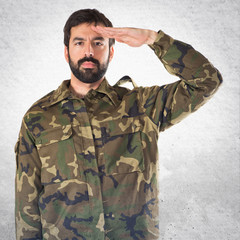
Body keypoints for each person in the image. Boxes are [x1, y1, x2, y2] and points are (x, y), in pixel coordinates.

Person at [15, 8, 222, 240]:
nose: (89, 52)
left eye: (98, 43)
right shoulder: (37, 117)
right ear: (66, 52)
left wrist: (153, 39)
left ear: (111, 52)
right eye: (79, 43)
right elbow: (27, 204)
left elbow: (207, 81)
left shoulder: (142, 106)